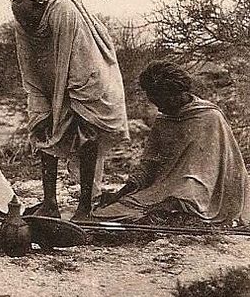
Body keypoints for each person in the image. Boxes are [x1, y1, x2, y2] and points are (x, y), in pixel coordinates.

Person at [11, 0, 129, 221]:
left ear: (40, 5)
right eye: (19, 18)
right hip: (53, 82)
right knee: (42, 129)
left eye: (27, 17)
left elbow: (74, 57)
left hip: (86, 79)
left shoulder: (63, 9)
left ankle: (85, 208)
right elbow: (28, 67)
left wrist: (67, 101)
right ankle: (50, 203)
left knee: (87, 134)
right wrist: (41, 103)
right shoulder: (22, 23)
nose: (24, 23)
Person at [95, 61, 250, 225]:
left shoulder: (209, 116)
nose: (160, 109)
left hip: (204, 188)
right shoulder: (163, 119)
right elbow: (150, 163)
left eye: (162, 103)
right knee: (113, 211)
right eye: (156, 104)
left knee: (185, 195)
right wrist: (121, 193)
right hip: (163, 188)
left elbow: (217, 172)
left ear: (178, 94)